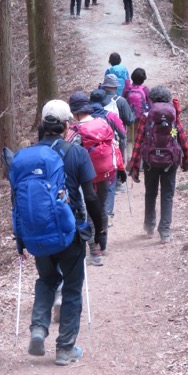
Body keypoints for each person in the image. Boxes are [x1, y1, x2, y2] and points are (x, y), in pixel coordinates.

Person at [23, 100, 105, 366]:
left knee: (46, 280)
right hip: (70, 232)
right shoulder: (77, 154)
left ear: (43, 124)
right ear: (67, 125)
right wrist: (98, 228)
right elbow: (91, 197)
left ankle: (38, 328)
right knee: (71, 287)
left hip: (39, 232)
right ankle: (65, 349)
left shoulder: (28, 157)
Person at [129, 86, 188, 244]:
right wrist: (186, 158)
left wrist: (135, 165)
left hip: (150, 161)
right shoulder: (172, 115)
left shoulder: (147, 116)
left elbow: (139, 141)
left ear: (151, 99)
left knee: (150, 193)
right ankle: (164, 231)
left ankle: (149, 225)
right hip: (170, 160)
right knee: (167, 194)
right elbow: (177, 135)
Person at [67, 92, 115, 265]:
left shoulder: (75, 130)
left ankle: (94, 252)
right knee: (101, 207)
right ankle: (103, 245)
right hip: (105, 171)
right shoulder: (102, 122)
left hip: (86, 176)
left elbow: (66, 150)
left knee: (88, 211)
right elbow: (113, 143)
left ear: (75, 111)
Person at [89, 88, 127, 221]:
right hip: (108, 156)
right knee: (109, 185)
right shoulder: (111, 116)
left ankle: (94, 215)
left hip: (89, 158)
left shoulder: (84, 118)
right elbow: (123, 134)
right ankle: (107, 214)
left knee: (92, 186)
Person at [100, 73, 134, 195]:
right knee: (118, 158)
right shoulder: (121, 101)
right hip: (118, 135)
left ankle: (104, 182)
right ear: (115, 87)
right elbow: (129, 120)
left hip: (100, 135)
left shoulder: (99, 100)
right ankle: (118, 183)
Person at [122, 67, 151, 166]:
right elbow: (150, 104)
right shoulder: (145, 89)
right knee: (141, 139)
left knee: (130, 139)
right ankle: (140, 163)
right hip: (142, 119)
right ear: (143, 79)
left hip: (130, 117)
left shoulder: (128, 88)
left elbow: (123, 99)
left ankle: (130, 159)